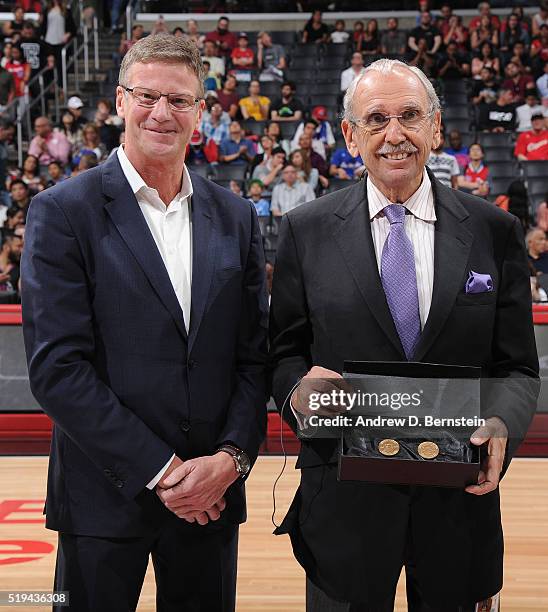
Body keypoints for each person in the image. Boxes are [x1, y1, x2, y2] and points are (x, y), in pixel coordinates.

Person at [269, 57, 538, 612]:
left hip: (459, 501)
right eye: (376, 119)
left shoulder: (495, 230)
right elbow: (283, 354)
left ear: (435, 128)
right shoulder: (306, 230)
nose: (395, 135)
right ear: (350, 135)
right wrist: (298, 392)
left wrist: (503, 421)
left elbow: (517, 367)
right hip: (344, 506)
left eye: (410, 116)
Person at [22, 33, 268, 612]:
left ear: (201, 112)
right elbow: (58, 370)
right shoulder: (62, 211)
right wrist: (163, 471)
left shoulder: (235, 216)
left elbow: (252, 358)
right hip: (104, 499)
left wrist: (230, 459)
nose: (162, 113)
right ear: (120, 100)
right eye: (147, 96)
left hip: (211, 498)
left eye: (179, 100)